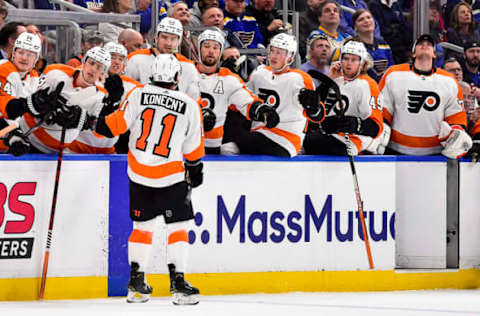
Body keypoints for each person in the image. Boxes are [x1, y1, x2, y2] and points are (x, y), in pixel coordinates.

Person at [54, 54, 204, 305]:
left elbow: (113, 126)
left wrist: (84, 121)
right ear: (177, 78)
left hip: (139, 174)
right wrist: (196, 169)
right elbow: (193, 150)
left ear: (152, 75)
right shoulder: (189, 104)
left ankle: (136, 283)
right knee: (178, 228)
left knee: (142, 229)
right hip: (172, 177)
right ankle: (178, 284)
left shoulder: (138, 95)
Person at [222, 33, 325, 157]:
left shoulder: (300, 79)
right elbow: (241, 102)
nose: (274, 56)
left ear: (290, 57)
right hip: (259, 134)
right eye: (272, 51)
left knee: (228, 148)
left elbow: (317, 117)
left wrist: (314, 108)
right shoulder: (259, 73)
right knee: (227, 148)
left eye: (280, 52)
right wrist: (231, 78)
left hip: (285, 140)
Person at [379, 34, 471, 158]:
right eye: (420, 44)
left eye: (429, 45)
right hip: (396, 151)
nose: (425, 45)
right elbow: (383, 112)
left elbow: (456, 118)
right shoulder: (393, 74)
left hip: (435, 153)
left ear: (434, 54)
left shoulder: (449, 80)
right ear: (413, 54)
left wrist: (456, 133)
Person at [15, 47, 113, 154]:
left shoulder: (100, 96)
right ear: (84, 62)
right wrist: (41, 106)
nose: (93, 69)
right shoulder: (55, 72)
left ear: (103, 73)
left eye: (99, 67)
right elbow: (29, 97)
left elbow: (96, 125)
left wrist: (78, 120)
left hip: (54, 152)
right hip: (25, 138)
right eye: (91, 63)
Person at [303, 40, 383, 155]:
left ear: (363, 63)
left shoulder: (367, 85)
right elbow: (315, 109)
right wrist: (328, 80)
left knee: (313, 143)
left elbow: (376, 128)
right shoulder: (336, 80)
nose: (348, 63)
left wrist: (355, 124)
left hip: (351, 140)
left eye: (354, 59)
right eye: (345, 58)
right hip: (324, 136)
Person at [196, 28, 262, 154]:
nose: (211, 51)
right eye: (206, 46)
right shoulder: (186, 71)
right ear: (199, 48)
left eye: (216, 47)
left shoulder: (230, 78)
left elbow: (246, 101)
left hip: (212, 143)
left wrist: (260, 109)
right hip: (185, 141)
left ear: (220, 52)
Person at [68, 42, 138, 154]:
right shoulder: (87, 78)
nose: (116, 62)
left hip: (110, 150)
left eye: (121, 59)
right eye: (112, 57)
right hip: (76, 149)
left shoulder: (133, 87)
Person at [126, 17, 200, 100]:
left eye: (173, 39)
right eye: (164, 37)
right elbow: (126, 91)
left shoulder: (188, 66)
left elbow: (194, 100)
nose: (168, 43)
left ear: (178, 42)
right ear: (156, 38)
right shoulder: (136, 58)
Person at [0, 32, 43, 156]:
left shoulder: (34, 77)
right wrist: (12, 135)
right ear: (13, 54)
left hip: (18, 142)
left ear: (36, 59)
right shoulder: (3, 69)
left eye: (30, 54)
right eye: (21, 52)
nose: (24, 58)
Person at [352, 9, 393, 82]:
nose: (366, 21)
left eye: (369, 17)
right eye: (361, 19)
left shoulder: (384, 44)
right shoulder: (353, 47)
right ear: (355, 27)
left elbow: (391, 69)